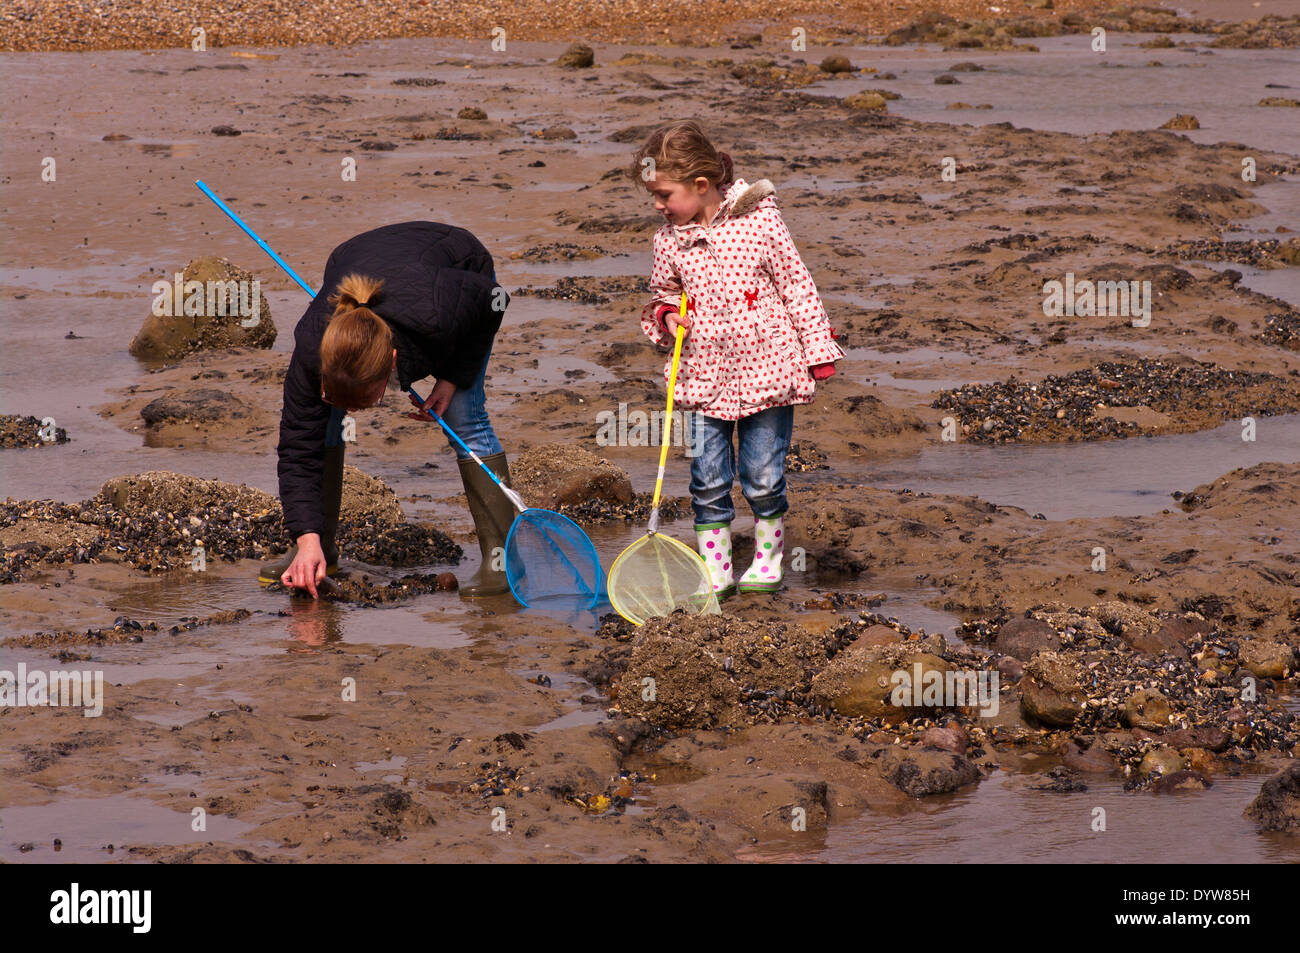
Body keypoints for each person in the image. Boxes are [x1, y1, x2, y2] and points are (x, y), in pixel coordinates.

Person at [631, 120, 843, 595]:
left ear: (700, 185)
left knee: (763, 475)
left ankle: (768, 560)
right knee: (707, 478)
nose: (658, 205)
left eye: (665, 194)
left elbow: (797, 284)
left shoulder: (761, 221)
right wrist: (666, 317)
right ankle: (716, 569)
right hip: (702, 373)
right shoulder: (669, 240)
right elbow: (661, 293)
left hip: (769, 366)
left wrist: (817, 348)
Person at [259, 221, 516, 599]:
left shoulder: (438, 312)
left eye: (363, 402)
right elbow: (299, 447)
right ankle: (319, 550)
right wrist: (305, 537)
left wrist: (451, 378)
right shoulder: (312, 349)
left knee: (464, 417)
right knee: (322, 425)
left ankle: (501, 566)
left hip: (458, 265)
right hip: (356, 255)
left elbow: (495, 299)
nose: (353, 412)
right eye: (336, 397)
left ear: (393, 365)